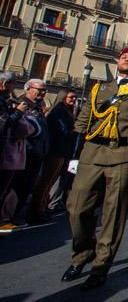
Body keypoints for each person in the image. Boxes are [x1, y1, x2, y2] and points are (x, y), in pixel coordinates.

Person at [62, 46, 128, 290]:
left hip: (124, 153)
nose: (127, 59)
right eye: (124, 56)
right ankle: (83, 252)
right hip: (92, 151)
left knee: (114, 212)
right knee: (77, 207)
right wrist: (74, 155)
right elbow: (83, 122)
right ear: (118, 62)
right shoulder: (100, 89)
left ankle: (101, 264)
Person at [28, 89, 77, 224]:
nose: (73, 100)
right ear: (63, 98)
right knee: (47, 180)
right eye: (71, 97)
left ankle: (42, 206)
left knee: (50, 181)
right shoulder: (59, 110)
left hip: (62, 150)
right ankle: (37, 208)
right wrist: (74, 129)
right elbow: (62, 130)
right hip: (56, 150)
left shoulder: (66, 110)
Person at [11, 78, 48, 225]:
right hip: (23, 153)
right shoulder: (22, 104)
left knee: (27, 187)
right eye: (40, 90)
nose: (43, 93)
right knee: (17, 186)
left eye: (44, 90)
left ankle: (15, 216)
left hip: (36, 153)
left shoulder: (39, 106)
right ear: (29, 89)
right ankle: (9, 217)